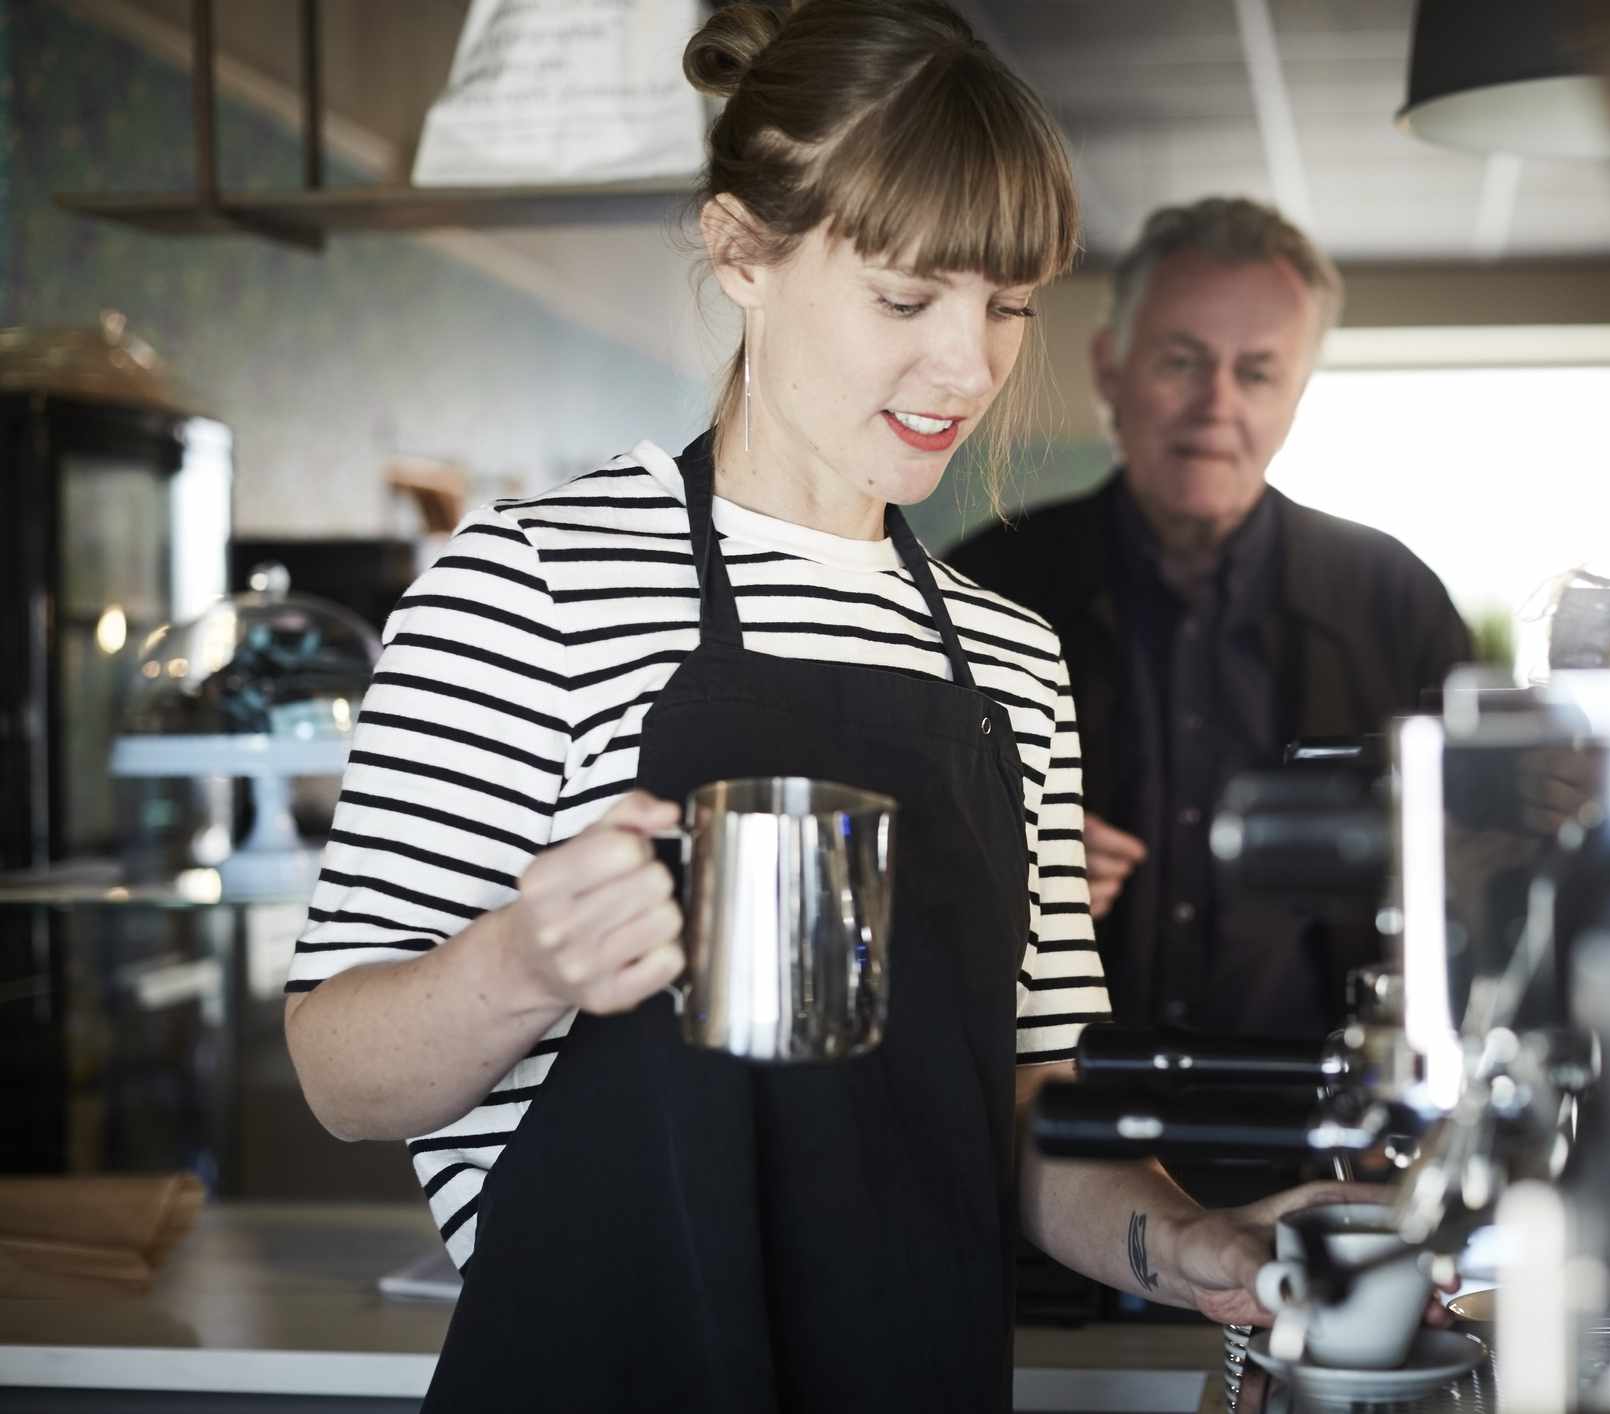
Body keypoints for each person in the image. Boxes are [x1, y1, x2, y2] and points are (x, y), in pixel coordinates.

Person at [281, 6, 1379, 1409]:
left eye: (1007, 304)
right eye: (908, 299)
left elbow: (1033, 1100)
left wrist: (1189, 1242)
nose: (969, 369)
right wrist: (522, 963)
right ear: (741, 249)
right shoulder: (532, 583)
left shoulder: (1010, 658)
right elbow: (337, 1073)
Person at [951, 197, 1471, 1045]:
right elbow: (910, 874)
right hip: (1050, 1123)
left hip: (1327, 1127)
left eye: (1257, 372)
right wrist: (1000, 869)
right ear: (1109, 370)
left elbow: (1476, 871)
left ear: (1295, 397)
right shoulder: (985, 586)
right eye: (1180, 362)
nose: (1214, 405)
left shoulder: (1394, 599)